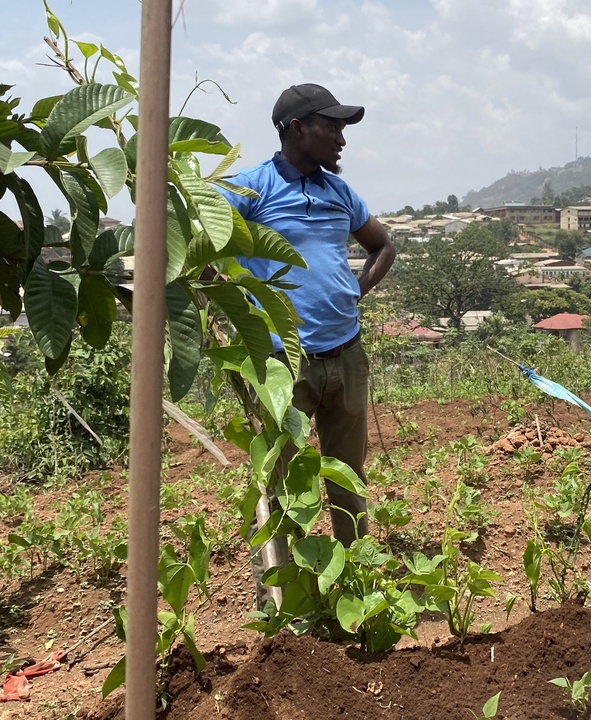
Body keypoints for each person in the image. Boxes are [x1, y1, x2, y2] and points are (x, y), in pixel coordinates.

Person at [218, 83, 396, 604]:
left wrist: (351, 294)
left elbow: (382, 244)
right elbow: (202, 248)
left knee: (348, 478)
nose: (342, 138)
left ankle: (358, 588)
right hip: (280, 362)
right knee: (281, 483)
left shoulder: (340, 192)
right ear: (297, 128)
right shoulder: (250, 190)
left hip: (346, 352)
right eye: (332, 126)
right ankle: (285, 601)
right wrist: (230, 310)